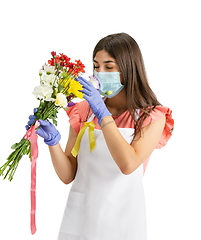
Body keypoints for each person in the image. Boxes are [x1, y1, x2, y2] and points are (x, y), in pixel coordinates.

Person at [26, 33, 174, 240]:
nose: (99, 73)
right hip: (81, 218)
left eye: (109, 67)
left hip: (123, 221)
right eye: (96, 66)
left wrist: (103, 114)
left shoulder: (151, 116)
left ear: (129, 68)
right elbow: (68, 174)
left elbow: (128, 164)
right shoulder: (84, 110)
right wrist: (53, 142)